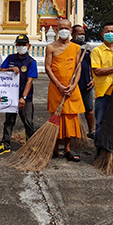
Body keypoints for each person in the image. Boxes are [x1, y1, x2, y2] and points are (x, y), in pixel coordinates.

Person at [45, 19, 85, 161]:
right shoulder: (51, 47)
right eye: (61, 28)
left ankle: (67, 149)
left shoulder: (76, 48)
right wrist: (59, 85)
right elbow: (48, 68)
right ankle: (55, 148)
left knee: (70, 118)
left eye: (67, 28)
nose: (64, 30)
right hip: (56, 88)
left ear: (71, 31)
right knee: (56, 118)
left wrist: (73, 86)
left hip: (71, 88)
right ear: (56, 30)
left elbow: (78, 67)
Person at [0, 34, 38, 155]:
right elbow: (2, 70)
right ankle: (6, 143)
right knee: (9, 121)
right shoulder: (11, 58)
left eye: (23, 45)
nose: (21, 47)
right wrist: (10, 69)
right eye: (19, 45)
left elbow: (30, 81)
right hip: (11, 96)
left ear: (28, 46)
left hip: (25, 98)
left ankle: (31, 144)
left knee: (28, 121)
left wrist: (23, 98)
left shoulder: (31, 62)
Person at [71, 24, 95, 137]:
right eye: (79, 34)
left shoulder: (88, 47)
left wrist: (93, 79)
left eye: (83, 34)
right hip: (71, 83)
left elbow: (93, 65)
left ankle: (91, 131)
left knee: (89, 108)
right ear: (73, 34)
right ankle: (75, 132)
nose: (81, 36)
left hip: (86, 82)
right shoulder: (68, 46)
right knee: (73, 110)